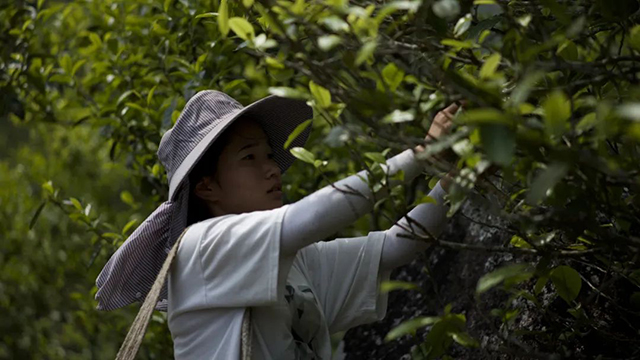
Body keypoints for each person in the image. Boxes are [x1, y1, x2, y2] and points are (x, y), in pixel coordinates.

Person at [95, 90, 459, 359]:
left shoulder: (292, 259)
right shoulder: (201, 247)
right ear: (207, 186)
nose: (271, 168)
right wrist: (421, 155)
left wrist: (460, 177)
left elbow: (395, 246)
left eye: (269, 155)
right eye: (249, 157)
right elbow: (315, 215)